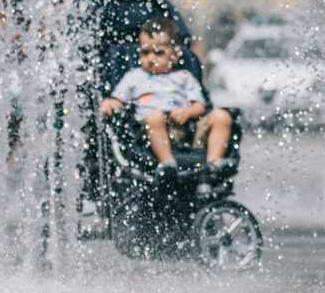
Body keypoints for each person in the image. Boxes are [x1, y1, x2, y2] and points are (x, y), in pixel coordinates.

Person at [100, 16, 234, 182]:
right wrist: (108, 104)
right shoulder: (134, 77)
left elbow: (200, 106)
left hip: (188, 131)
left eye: (158, 53)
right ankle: (168, 164)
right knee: (154, 117)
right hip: (152, 132)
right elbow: (118, 100)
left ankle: (214, 164)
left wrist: (188, 111)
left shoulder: (183, 76)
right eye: (144, 52)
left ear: (175, 55)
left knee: (222, 116)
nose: (150, 59)